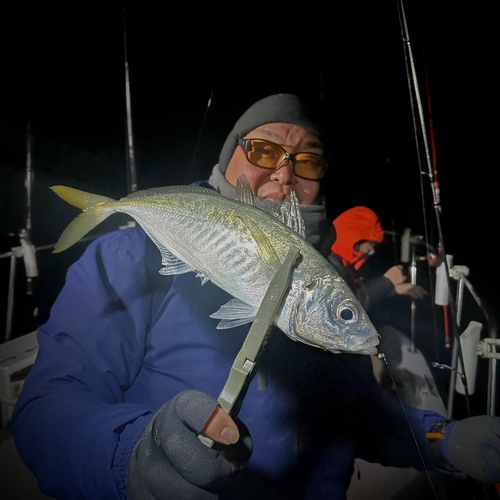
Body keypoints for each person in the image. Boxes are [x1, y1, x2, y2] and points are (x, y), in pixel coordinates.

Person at [11, 94, 500, 500]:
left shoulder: (325, 280)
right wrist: (129, 454)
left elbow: (356, 420)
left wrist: (443, 439)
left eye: (307, 161)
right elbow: (46, 408)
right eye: (264, 151)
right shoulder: (129, 256)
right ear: (230, 160)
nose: (285, 175)